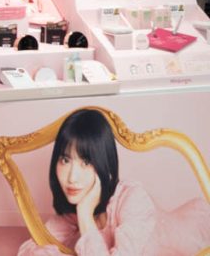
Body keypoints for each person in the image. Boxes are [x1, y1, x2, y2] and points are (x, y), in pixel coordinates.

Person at [18, 108, 210, 256]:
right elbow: (31, 249)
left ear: (104, 163)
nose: (72, 177)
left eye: (86, 162)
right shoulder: (72, 210)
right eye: (65, 160)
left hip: (187, 235)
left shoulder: (132, 198)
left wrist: (85, 215)